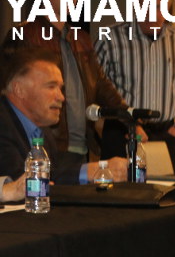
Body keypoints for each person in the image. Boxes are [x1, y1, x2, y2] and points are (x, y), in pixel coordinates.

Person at [2, 0, 127, 168]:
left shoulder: (82, 38)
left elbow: (102, 85)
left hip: (82, 146)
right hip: (44, 144)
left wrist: (130, 118)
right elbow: (9, 91)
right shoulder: (24, 35)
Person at [94, 0, 175, 169]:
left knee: (163, 187)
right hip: (121, 131)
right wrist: (130, 124)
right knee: (118, 186)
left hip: (165, 134)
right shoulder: (110, 38)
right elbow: (95, 86)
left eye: (158, 6)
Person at [0, 48, 127, 185]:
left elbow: (52, 174)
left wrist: (95, 169)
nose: (61, 97)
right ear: (19, 90)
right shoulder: (3, 124)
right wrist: (93, 170)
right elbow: (19, 181)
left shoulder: (42, 128)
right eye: (51, 86)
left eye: (60, 88)